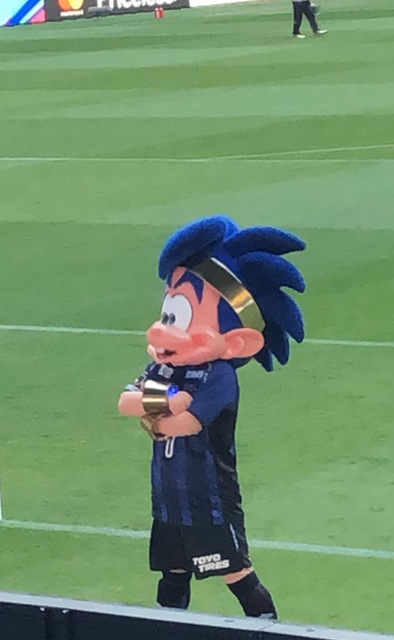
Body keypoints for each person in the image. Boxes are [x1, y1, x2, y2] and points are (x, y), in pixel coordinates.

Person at [117, 216, 306, 619]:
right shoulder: (165, 369)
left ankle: (268, 627)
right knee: (172, 574)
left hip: (210, 500)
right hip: (168, 499)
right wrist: (170, 401)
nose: (164, 329)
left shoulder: (218, 376)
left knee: (237, 574)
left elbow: (185, 423)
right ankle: (166, 628)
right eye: (169, 313)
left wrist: (159, 411)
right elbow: (127, 402)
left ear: (238, 342)